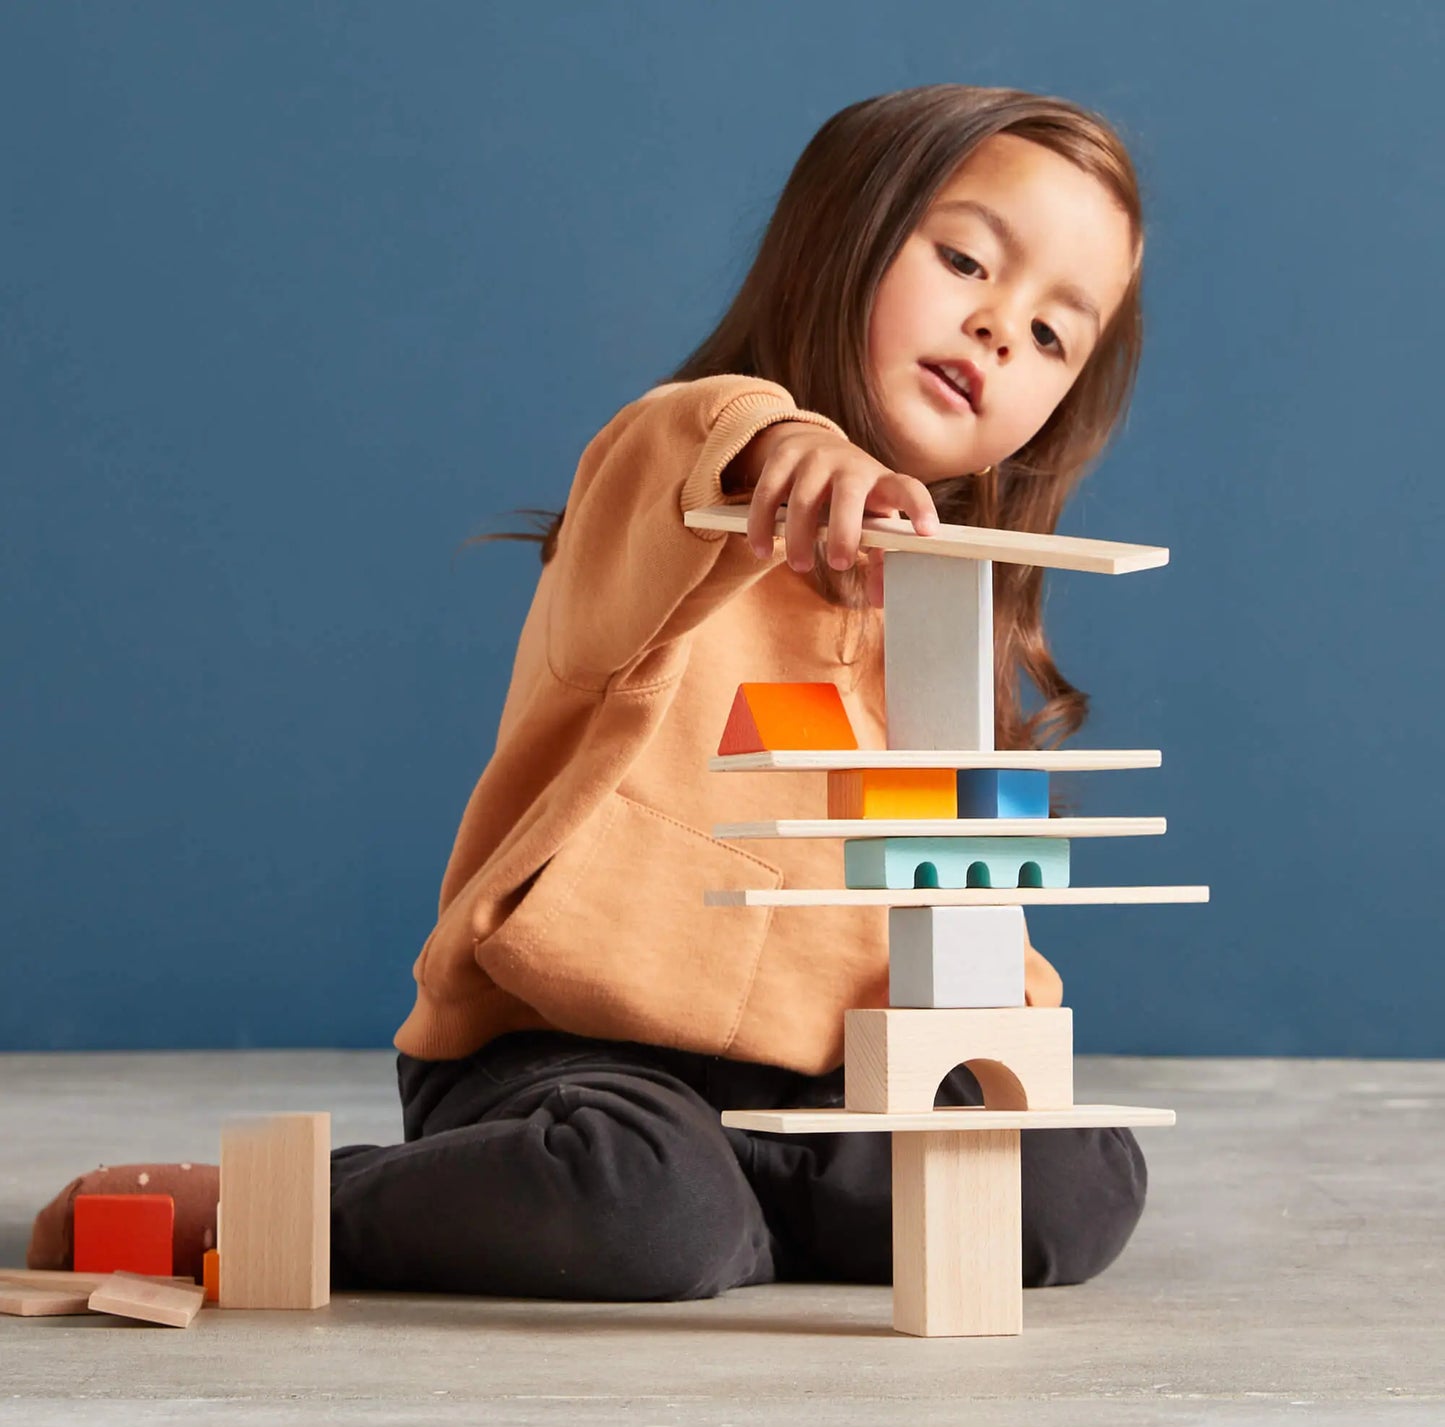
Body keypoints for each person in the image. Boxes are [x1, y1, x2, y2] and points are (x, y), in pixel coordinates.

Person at [30, 83, 1153, 1304]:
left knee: (1074, 1179)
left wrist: (1001, 1034)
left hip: (817, 1090)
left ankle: (731, 1221)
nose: (998, 329)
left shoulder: (941, 611)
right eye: (963, 260)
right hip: (566, 1060)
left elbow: (942, 884)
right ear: (841, 240)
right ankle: (305, 1202)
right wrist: (786, 449)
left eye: (1052, 334)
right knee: (640, 1187)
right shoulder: (673, 482)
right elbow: (698, 446)